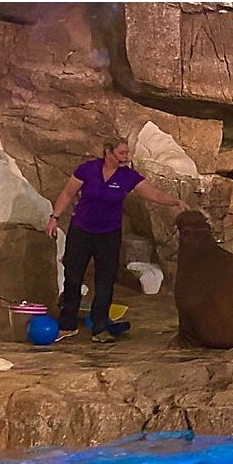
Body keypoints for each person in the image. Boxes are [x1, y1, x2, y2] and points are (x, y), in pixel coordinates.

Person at [46, 139, 190, 343]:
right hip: (81, 230)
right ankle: (67, 324)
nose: (126, 157)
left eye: (127, 153)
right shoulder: (88, 169)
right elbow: (67, 193)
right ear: (108, 152)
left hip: (109, 234)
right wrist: (54, 217)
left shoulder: (127, 176)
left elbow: (152, 193)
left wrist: (175, 201)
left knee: (105, 280)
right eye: (122, 153)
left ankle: (100, 327)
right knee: (73, 275)